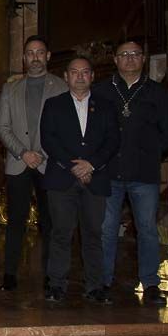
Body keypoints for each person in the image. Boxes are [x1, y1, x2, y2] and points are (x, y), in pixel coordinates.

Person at [94, 39, 168, 305]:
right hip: (109, 171)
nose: (130, 59)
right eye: (124, 55)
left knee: (146, 229)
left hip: (144, 173)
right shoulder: (101, 91)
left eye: (135, 54)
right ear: (116, 60)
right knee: (106, 230)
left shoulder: (158, 93)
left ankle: (150, 283)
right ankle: (103, 281)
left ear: (143, 59)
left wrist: (151, 152)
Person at [40, 57, 121, 303]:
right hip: (62, 178)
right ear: (66, 76)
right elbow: (48, 139)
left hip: (95, 179)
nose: (79, 76)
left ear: (92, 76)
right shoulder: (54, 105)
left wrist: (91, 164)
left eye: (85, 72)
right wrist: (73, 166)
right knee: (61, 233)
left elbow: (112, 141)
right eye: (74, 72)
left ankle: (95, 286)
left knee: (93, 234)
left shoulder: (106, 106)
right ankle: (56, 284)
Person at [0, 35, 67, 292]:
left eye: (40, 52)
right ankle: (9, 274)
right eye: (30, 53)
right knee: (16, 220)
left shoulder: (62, 87)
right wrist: (24, 153)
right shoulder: (10, 88)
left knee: (51, 222)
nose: (35, 57)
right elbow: (2, 127)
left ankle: (51, 275)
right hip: (18, 162)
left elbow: (65, 129)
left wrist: (42, 154)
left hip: (50, 163)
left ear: (47, 56)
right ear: (24, 58)